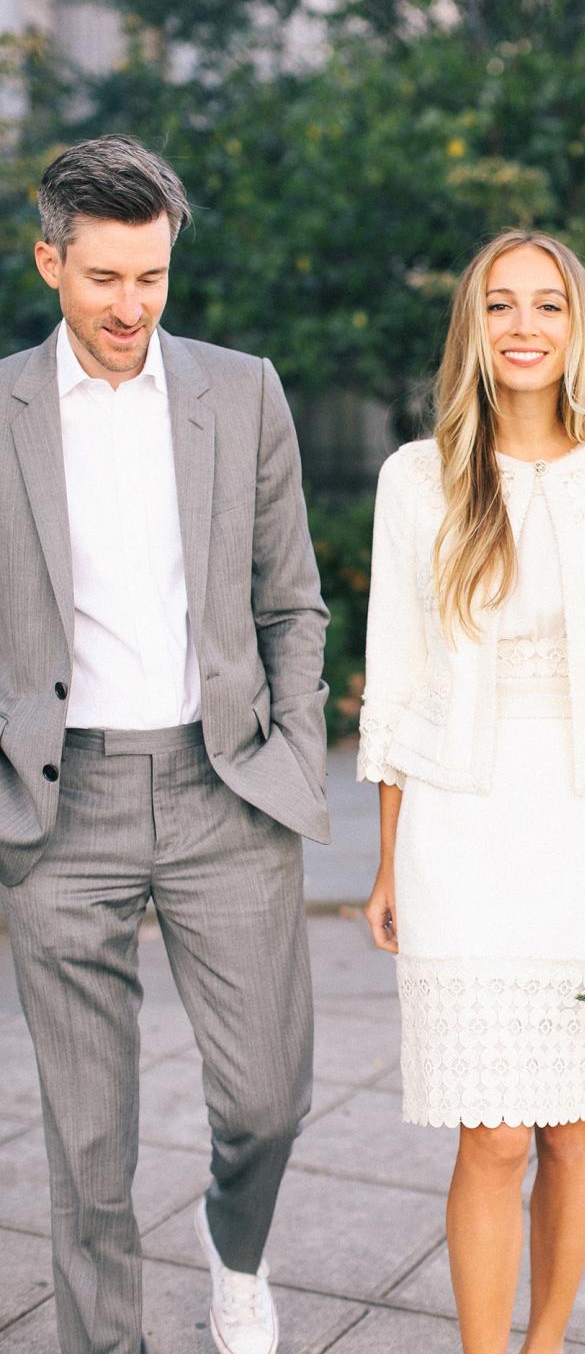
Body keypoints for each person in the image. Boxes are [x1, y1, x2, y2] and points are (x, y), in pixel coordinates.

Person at [0, 135, 329, 1354]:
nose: (131, 306)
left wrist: (294, 751)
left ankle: (233, 1249)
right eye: (104, 280)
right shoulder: (2, 410)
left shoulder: (240, 391)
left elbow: (293, 601)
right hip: (59, 802)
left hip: (223, 785)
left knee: (268, 1099)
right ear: (51, 263)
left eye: (152, 278)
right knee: (87, 1146)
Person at [360, 230, 585, 1354]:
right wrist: (385, 859)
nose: (523, 327)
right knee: (493, 1133)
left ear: (577, 325)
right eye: (500, 305)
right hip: (459, 826)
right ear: (473, 326)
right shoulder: (417, 479)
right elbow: (399, 680)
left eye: (546, 305)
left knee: (568, 1129)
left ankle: (545, 1341)